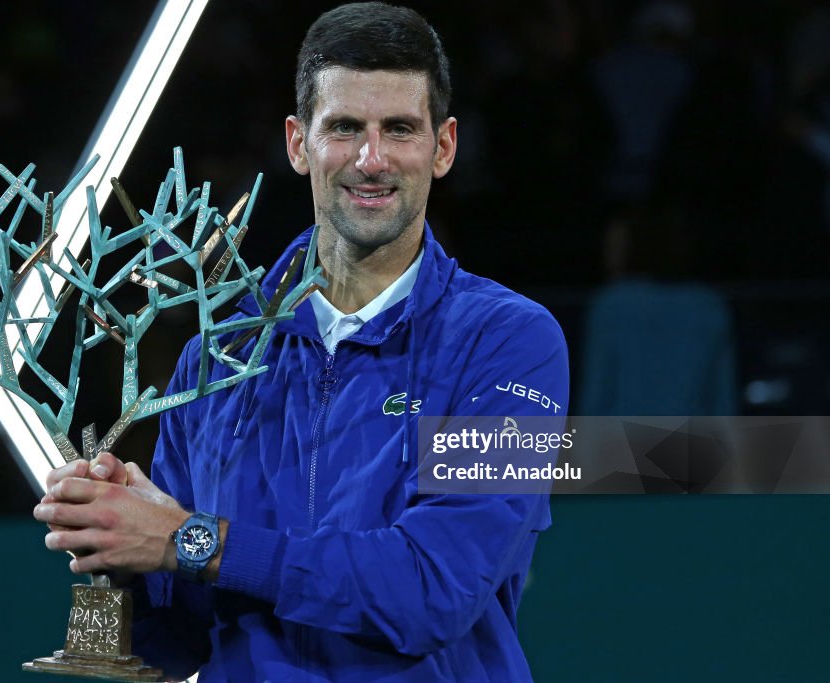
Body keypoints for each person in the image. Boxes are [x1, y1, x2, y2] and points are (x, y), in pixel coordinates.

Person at [34, 3, 569, 681]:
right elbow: (184, 636)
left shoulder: (511, 343)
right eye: (344, 128)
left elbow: (432, 590)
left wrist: (187, 538)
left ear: (444, 147)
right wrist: (118, 546)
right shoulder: (219, 351)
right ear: (297, 143)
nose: (371, 160)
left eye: (399, 129)